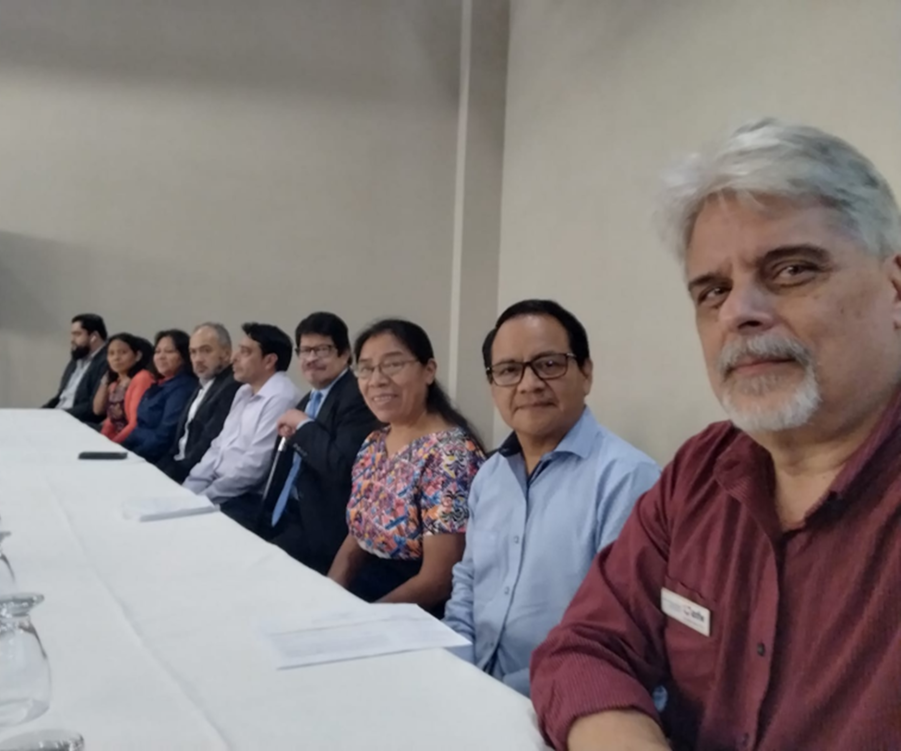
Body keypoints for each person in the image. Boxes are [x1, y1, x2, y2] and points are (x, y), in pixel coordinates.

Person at [531, 119, 901, 751]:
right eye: (713, 290)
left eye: (791, 270)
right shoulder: (701, 472)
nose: (738, 313)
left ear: (895, 290)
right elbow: (583, 649)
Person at [443, 299, 660, 697]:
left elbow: (618, 632)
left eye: (548, 364)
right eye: (509, 370)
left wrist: (495, 693)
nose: (528, 384)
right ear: (493, 387)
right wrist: (455, 667)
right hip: (474, 689)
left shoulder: (628, 480)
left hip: (569, 701)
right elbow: (468, 583)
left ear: (586, 373)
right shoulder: (489, 476)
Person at [326, 319, 485, 616]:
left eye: (393, 365)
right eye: (366, 368)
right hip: (366, 593)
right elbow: (359, 535)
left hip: (416, 610)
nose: (377, 380)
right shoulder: (375, 441)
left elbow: (438, 580)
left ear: (429, 371)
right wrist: (328, 595)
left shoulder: (450, 455)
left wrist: (363, 619)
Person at [256, 312, 379, 573]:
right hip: (284, 516)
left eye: (321, 350)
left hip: (322, 531)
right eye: (305, 350)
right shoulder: (309, 400)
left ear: (345, 354)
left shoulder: (357, 397)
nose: (311, 358)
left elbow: (341, 466)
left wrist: (303, 426)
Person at [183, 323, 300, 525]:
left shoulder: (281, 396)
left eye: (245, 352)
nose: (234, 358)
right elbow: (218, 447)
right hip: (219, 488)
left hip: (247, 498)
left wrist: (204, 498)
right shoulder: (244, 391)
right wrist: (188, 490)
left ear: (269, 360)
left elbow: (255, 467)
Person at [157, 323, 241, 483]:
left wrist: (169, 475)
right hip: (176, 465)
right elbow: (179, 441)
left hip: (193, 476)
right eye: (193, 352)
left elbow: (207, 443)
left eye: (206, 350)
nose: (198, 359)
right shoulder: (204, 383)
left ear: (226, 353)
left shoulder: (230, 387)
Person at [121, 330, 198, 463]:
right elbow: (139, 427)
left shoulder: (183, 388)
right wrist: (121, 448)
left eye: (169, 351)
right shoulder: (161, 383)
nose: (161, 356)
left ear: (183, 355)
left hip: (155, 459)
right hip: (137, 450)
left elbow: (164, 437)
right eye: (157, 351)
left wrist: (132, 457)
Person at [43, 313, 108, 424]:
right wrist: (39, 413)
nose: (72, 340)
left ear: (94, 336)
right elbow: (61, 396)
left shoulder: (107, 361)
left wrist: (57, 416)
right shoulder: (78, 357)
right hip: (59, 417)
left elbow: (91, 407)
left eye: (77, 334)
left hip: (78, 422)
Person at [94, 333, 155, 444]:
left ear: (137, 356)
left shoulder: (142, 378)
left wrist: (112, 445)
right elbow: (110, 420)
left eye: (123, 352)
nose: (116, 358)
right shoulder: (115, 383)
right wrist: (100, 441)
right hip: (117, 439)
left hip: (133, 441)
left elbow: (135, 423)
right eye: (111, 353)